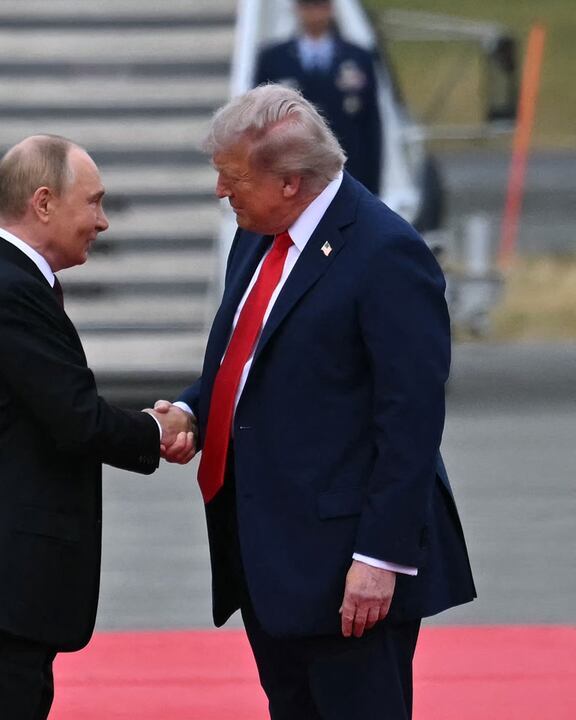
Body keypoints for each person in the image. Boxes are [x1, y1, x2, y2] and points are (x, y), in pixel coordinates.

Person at [154, 85, 475, 719]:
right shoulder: (260, 232)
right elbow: (244, 361)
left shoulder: (386, 253)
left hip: (346, 570)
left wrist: (380, 559)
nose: (222, 191)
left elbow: (409, 422)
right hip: (269, 557)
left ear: (291, 183)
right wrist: (194, 409)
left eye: (232, 178)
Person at [0, 135, 191, 719]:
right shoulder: (6, 292)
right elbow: (76, 419)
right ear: (44, 203)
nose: (103, 222)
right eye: (94, 203)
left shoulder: (2, 281)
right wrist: (160, 429)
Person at [254, 0, 383, 194]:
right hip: (291, 169)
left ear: (331, 8)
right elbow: (259, 121)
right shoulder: (273, 59)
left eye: (320, 5)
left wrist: (372, 185)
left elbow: (371, 124)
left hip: (347, 167)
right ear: (296, 8)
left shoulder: (358, 57)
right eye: (307, 5)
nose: (314, 12)